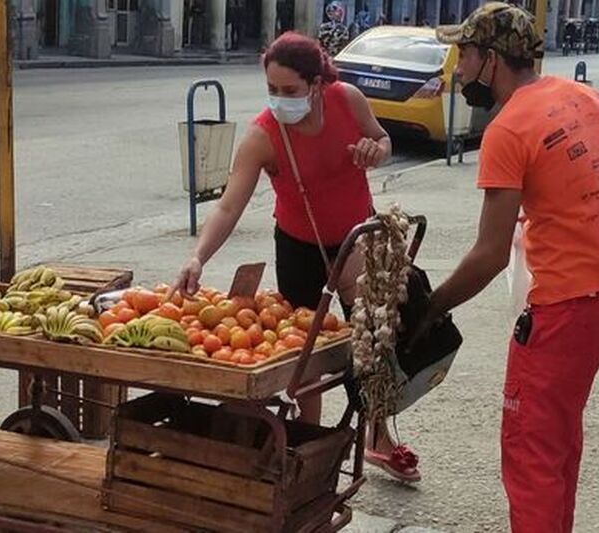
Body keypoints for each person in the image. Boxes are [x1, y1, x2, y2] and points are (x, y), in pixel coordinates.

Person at [170, 32, 424, 483]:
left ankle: (378, 436)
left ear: (318, 82)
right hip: (298, 246)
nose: (280, 100)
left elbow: (383, 140)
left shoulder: (348, 100)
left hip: (356, 239)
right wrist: (198, 257)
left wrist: (374, 151)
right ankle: (309, 442)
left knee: (373, 345)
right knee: (304, 355)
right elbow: (229, 204)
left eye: (290, 91)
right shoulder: (264, 135)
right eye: (272, 90)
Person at [422, 3, 599, 530]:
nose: (457, 70)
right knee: (558, 442)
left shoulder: (508, 129)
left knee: (531, 452)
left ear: (491, 59)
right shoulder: (582, 96)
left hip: (561, 312)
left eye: (463, 55)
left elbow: (487, 255)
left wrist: (430, 308)